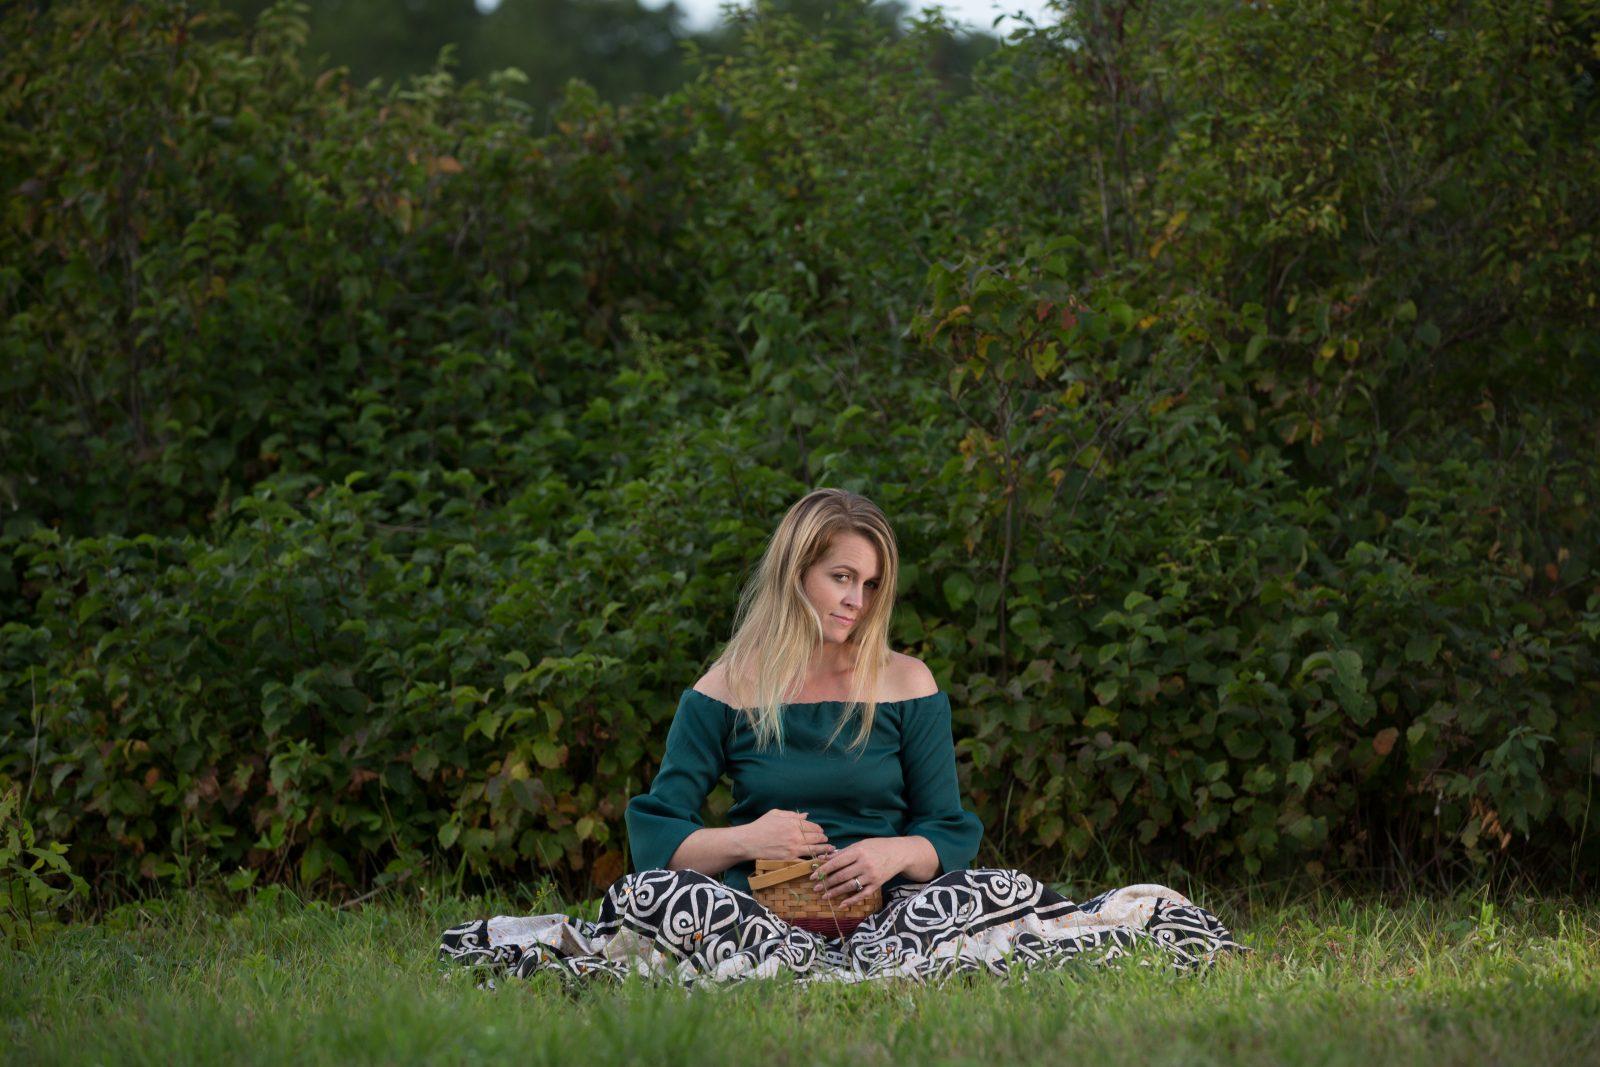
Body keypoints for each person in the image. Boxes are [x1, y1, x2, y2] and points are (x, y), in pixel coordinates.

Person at [438, 488, 1244, 986]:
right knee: (656, 897)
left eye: (870, 582)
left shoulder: (906, 681)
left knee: (993, 891)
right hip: (761, 913)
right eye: (841, 576)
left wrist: (891, 856)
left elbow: (949, 831)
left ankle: (868, 957)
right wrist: (749, 836)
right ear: (798, 571)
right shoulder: (728, 684)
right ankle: (782, 959)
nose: (857, 598)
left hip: (896, 911)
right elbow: (657, 837)